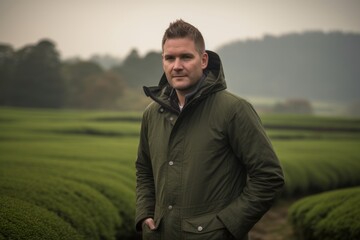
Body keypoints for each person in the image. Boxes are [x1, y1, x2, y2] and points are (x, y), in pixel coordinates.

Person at [135, 19, 284, 240]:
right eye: (170, 58)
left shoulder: (234, 110)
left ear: (203, 60)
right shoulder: (152, 114)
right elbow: (144, 170)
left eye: (186, 57)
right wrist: (145, 214)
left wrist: (225, 226)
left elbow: (268, 177)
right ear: (163, 61)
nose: (177, 66)